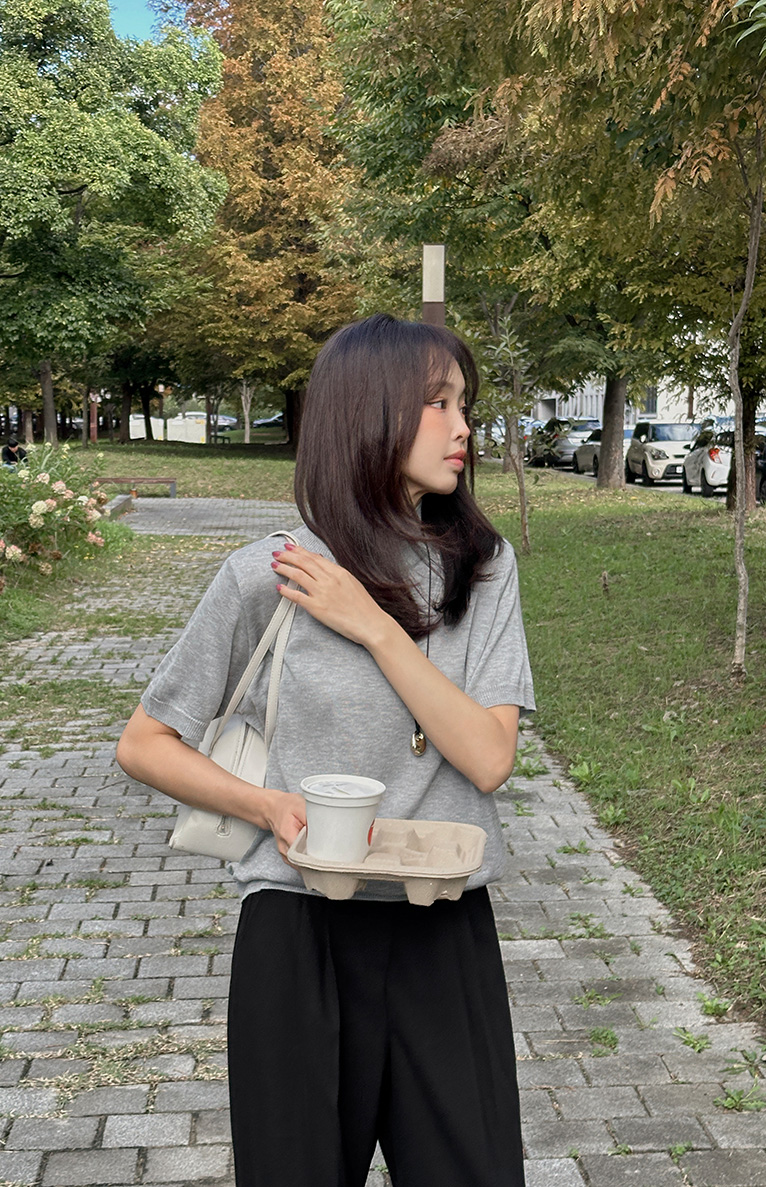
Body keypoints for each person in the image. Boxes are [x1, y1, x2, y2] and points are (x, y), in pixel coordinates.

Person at [116, 313, 535, 1187]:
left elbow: (489, 757)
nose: (463, 426)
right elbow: (146, 743)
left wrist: (375, 627)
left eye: (464, 404)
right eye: (438, 403)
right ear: (368, 412)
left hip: (442, 928)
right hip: (297, 929)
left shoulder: (483, 571)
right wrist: (267, 805)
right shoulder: (267, 575)